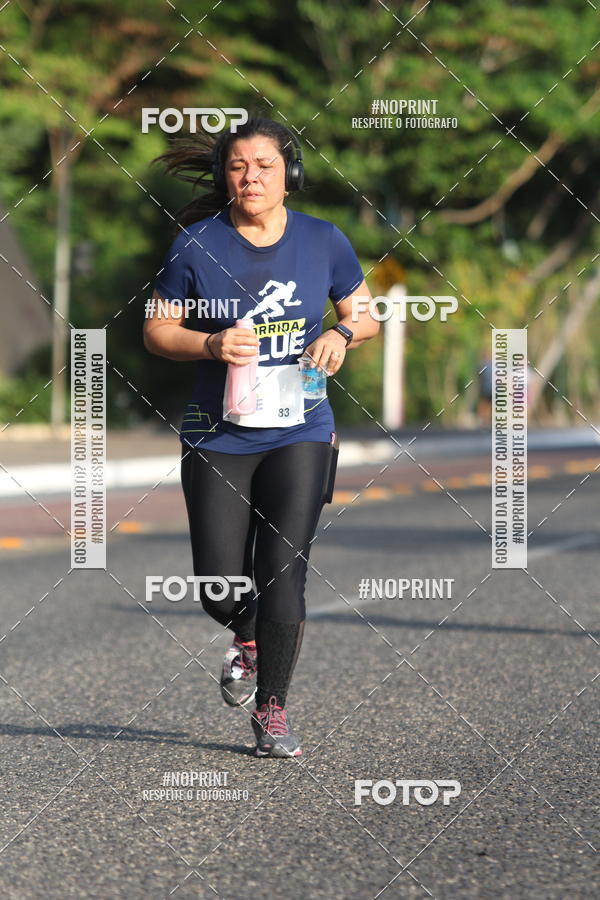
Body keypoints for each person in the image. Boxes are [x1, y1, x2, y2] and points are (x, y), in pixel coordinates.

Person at [143, 113, 378, 758]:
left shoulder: (323, 240)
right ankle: (247, 634)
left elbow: (364, 314)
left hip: (301, 429)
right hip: (216, 432)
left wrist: (341, 333)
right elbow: (157, 331)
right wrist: (211, 342)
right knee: (219, 583)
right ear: (225, 175)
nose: (251, 177)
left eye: (265, 165)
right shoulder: (195, 244)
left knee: (284, 574)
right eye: (239, 166)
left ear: (289, 174)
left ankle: (272, 708)